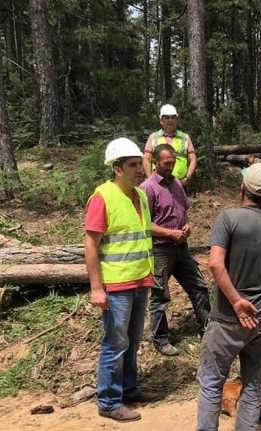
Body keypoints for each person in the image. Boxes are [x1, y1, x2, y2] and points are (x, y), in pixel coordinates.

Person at [196, 163, 261, 431]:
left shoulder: (228, 219)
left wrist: (236, 301)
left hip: (227, 317)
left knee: (212, 380)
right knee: (253, 383)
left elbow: (215, 264)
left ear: (242, 188)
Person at [84, 137, 161, 423]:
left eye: (140, 163)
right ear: (117, 169)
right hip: (116, 286)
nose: (140, 169)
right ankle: (109, 400)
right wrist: (96, 288)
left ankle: (129, 389)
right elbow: (91, 244)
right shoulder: (102, 197)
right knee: (115, 343)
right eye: (132, 165)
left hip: (140, 280)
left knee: (132, 340)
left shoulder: (140, 195)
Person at [140, 143, 211, 356]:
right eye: (166, 163)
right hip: (160, 250)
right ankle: (160, 339)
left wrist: (186, 224)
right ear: (155, 162)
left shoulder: (177, 184)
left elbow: (183, 209)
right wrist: (170, 233)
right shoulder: (147, 188)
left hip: (181, 247)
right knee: (160, 296)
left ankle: (207, 329)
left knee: (199, 287)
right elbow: (144, 225)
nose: (171, 166)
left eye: (173, 162)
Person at [143, 104, 198, 187]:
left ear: (176, 120)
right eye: (167, 117)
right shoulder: (153, 137)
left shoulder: (185, 137)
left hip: (180, 184)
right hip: (158, 184)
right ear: (161, 120)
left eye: (173, 117)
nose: (170, 120)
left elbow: (193, 160)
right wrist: (150, 179)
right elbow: (146, 159)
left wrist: (187, 178)